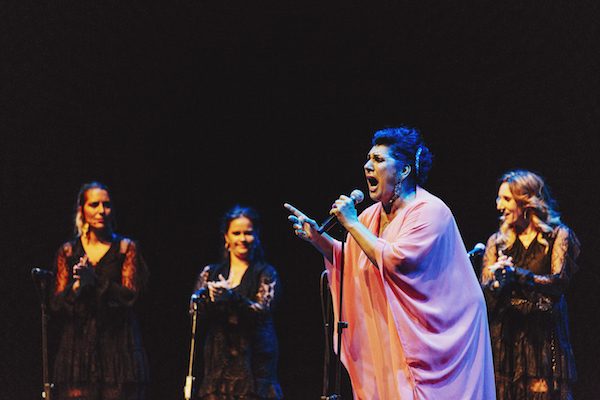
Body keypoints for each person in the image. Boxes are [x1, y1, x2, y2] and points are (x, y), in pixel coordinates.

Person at [284, 126, 496, 399]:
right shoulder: (371, 216)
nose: (367, 166)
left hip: (436, 339)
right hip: (392, 334)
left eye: (379, 160)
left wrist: (349, 222)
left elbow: (397, 261)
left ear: (405, 170)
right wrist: (318, 239)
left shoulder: (430, 211)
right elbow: (354, 259)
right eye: (368, 159)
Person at [480, 169, 580, 400]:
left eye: (506, 199)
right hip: (506, 339)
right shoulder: (497, 242)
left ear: (526, 202)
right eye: (498, 198)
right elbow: (483, 290)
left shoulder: (557, 235)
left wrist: (519, 275)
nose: (499, 206)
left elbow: (559, 282)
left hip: (541, 338)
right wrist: (498, 281)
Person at [50, 181, 150, 399]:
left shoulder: (125, 248)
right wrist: (78, 285)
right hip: (78, 346)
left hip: (117, 344)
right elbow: (56, 303)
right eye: (94, 205)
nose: (101, 211)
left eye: (106, 205)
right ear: (82, 210)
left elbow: (129, 296)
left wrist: (93, 280)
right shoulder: (68, 251)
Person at [189, 205, 283, 400]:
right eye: (236, 233)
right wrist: (208, 298)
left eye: (248, 233)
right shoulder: (210, 272)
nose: (242, 239)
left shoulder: (265, 273)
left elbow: (263, 311)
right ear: (226, 237)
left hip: (253, 360)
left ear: (256, 236)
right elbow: (194, 312)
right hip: (219, 358)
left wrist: (231, 297)